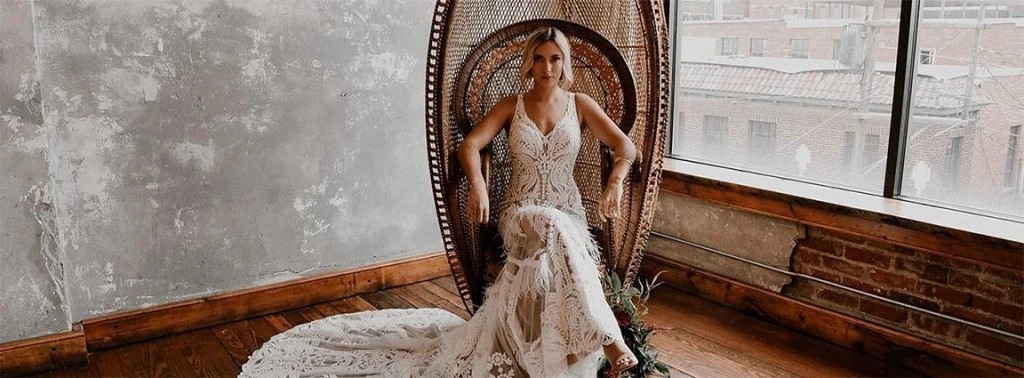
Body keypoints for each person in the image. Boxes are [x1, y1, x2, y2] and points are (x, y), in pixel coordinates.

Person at [239, 26, 639, 378]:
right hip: (521, 213)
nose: (548, 67)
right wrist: (479, 184)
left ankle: (545, 354)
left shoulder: (581, 104)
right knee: (546, 226)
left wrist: (616, 181)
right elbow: (471, 145)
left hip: (568, 213)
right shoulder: (511, 106)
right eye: (539, 58)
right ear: (529, 64)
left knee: (556, 236)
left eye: (555, 59)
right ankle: (606, 337)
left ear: (565, 63)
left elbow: (625, 147)